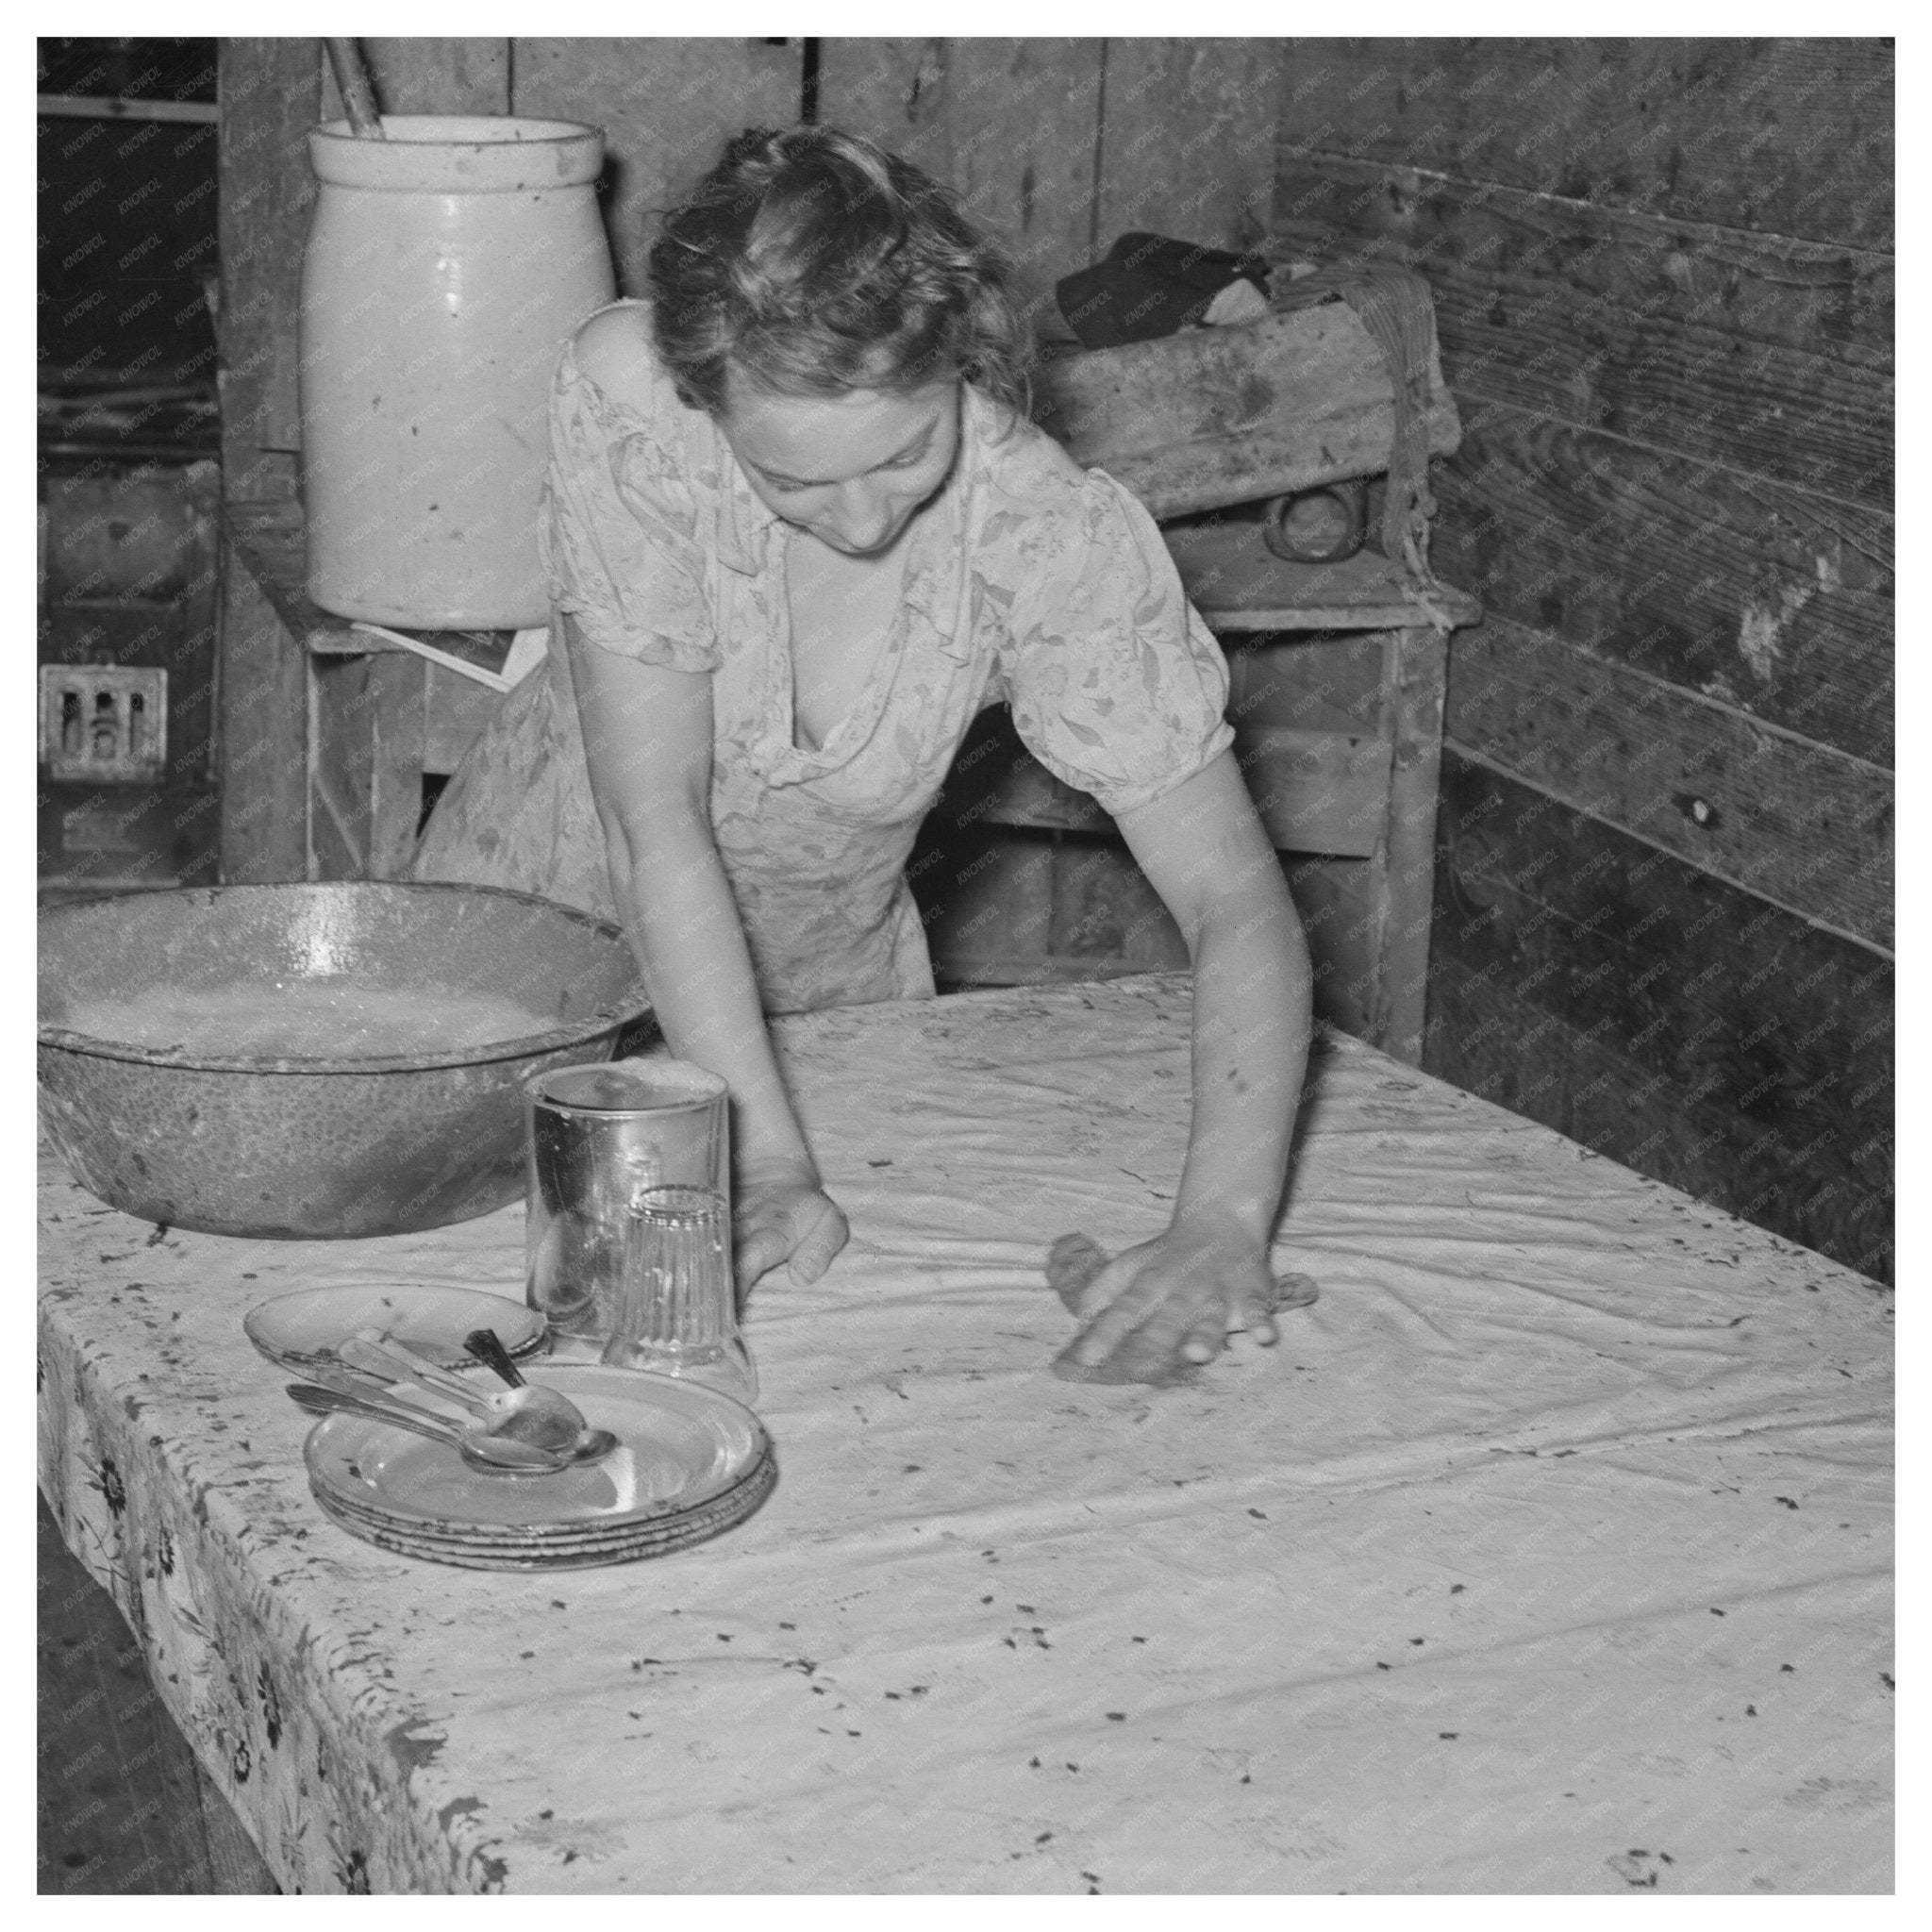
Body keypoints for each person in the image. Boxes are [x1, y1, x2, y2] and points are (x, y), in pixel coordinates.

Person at [412, 125, 1313, 1378]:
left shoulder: (1045, 539)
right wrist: (764, 1155)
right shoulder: (637, 399)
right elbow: (650, 819)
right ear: (704, 397)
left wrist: (1220, 1222)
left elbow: (1232, 897)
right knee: (475, 1345)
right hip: (528, 951)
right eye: (792, 478)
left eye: (903, 453)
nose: (860, 518)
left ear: (959, 365)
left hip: (816, 1009)